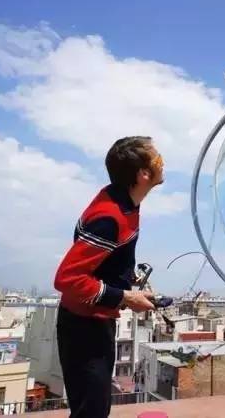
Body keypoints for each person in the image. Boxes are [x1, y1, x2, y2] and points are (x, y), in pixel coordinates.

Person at [54, 136, 164, 417]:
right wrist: (125, 296)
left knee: (95, 408)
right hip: (83, 326)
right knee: (91, 411)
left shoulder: (125, 202)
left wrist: (126, 282)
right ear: (143, 174)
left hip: (96, 319)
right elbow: (67, 278)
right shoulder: (109, 217)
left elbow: (104, 259)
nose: (163, 163)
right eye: (157, 159)